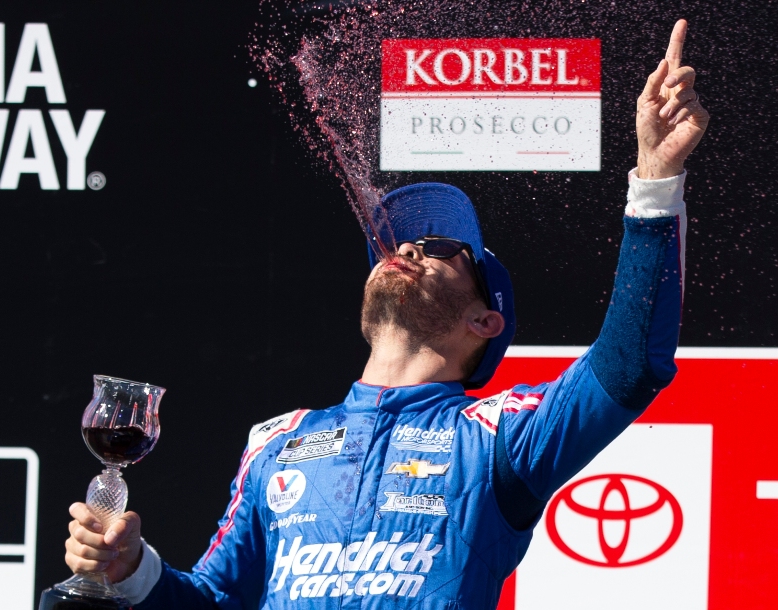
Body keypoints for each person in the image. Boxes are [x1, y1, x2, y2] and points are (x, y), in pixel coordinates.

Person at [63, 19, 709, 609]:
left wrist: (654, 177)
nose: (405, 248)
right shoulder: (276, 441)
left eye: (440, 249)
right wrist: (134, 570)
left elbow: (628, 367)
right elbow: (213, 601)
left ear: (485, 322)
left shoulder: (501, 435)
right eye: (402, 242)